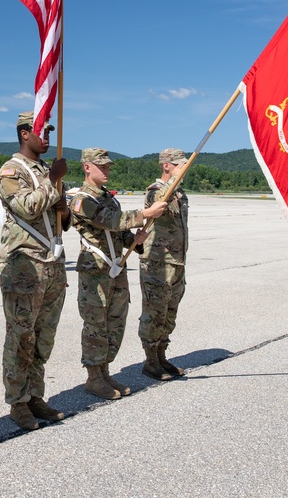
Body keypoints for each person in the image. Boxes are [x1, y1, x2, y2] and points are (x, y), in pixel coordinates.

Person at [70, 148, 167, 399]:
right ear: (87, 167)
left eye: (108, 166)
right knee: (95, 325)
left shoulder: (109, 198)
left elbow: (117, 231)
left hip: (116, 267)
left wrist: (134, 238)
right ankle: (93, 376)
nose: (107, 170)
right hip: (96, 271)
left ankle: (104, 371)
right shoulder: (82, 199)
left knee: (115, 322)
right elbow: (108, 221)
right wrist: (144, 214)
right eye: (101, 166)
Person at [0, 111, 70, 430]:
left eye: (51, 130)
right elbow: (25, 207)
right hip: (24, 267)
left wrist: (64, 206)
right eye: (42, 130)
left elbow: (62, 222)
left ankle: (36, 395)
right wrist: (53, 181)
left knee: (43, 338)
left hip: (51, 266)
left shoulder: (45, 171)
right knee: (21, 337)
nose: (48, 136)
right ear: (25, 134)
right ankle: (18, 402)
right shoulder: (12, 171)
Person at [138, 148, 190, 380]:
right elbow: (157, 206)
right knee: (154, 311)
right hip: (157, 263)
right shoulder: (156, 191)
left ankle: (161, 355)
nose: (185, 168)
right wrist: (172, 185)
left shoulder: (180, 193)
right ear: (166, 165)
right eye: (181, 164)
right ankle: (150, 361)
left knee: (170, 311)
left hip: (176, 262)